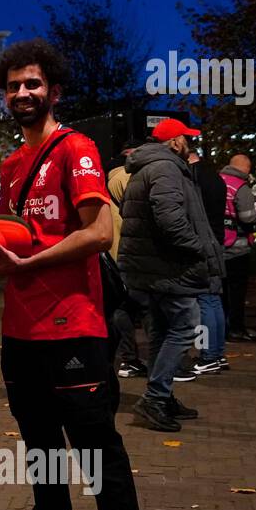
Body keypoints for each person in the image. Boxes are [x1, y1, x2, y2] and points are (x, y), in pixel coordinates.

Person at [0, 38, 157, 510]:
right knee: (39, 444)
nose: (22, 94)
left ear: (53, 90)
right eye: (13, 86)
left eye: (33, 84)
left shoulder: (74, 147)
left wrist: (31, 262)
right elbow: (23, 237)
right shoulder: (8, 166)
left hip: (73, 324)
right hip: (19, 327)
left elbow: (100, 232)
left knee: (96, 449)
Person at [118, 118, 220, 432]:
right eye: (185, 138)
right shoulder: (166, 168)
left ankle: (162, 395)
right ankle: (155, 397)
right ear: (175, 141)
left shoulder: (147, 167)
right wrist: (197, 248)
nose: (189, 143)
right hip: (168, 267)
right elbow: (170, 218)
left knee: (161, 331)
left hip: (150, 267)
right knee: (185, 326)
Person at [108, 140, 149, 379]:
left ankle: (127, 359)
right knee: (134, 308)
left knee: (122, 308)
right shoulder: (125, 177)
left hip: (117, 252)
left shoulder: (111, 176)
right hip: (126, 252)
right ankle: (130, 360)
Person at [188, 150, 229, 375]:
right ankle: (217, 353)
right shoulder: (214, 176)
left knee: (204, 300)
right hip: (216, 240)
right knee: (213, 300)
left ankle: (208, 354)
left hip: (203, 242)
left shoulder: (194, 178)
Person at [219, 154, 256, 342]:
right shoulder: (240, 186)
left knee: (219, 292)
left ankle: (220, 330)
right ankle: (236, 329)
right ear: (245, 168)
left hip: (217, 245)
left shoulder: (217, 181)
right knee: (237, 292)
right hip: (237, 248)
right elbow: (246, 217)